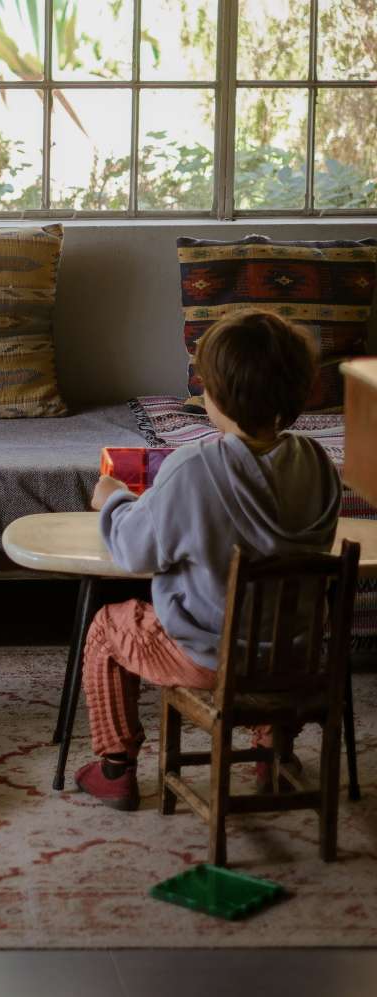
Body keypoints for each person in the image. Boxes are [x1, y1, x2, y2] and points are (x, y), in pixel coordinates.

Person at [75, 310, 342, 810]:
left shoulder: (192, 468)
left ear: (216, 397)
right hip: (292, 655)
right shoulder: (318, 463)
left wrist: (112, 499)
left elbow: (134, 549)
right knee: (269, 620)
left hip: (206, 654)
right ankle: (271, 751)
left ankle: (115, 767)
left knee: (107, 628)